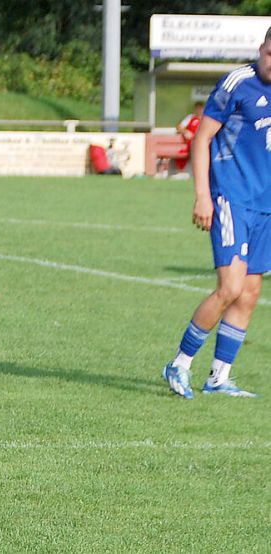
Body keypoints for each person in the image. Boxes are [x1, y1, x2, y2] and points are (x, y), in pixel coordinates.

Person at [161, 26, 271, 400]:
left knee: (250, 292)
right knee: (230, 287)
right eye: (270, 54)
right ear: (261, 49)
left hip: (264, 205)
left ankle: (219, 377)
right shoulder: (237, 83)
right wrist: (202, 196)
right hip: (231, 197)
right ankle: (179, 363)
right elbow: (202, 138)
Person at [173, 101, 204, 175]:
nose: (199, 110)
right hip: (191, 143)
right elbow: (179, 127)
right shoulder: (190, 117)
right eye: (197, 108)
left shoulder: (206, 119)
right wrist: (185, 132)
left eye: (201, 108)